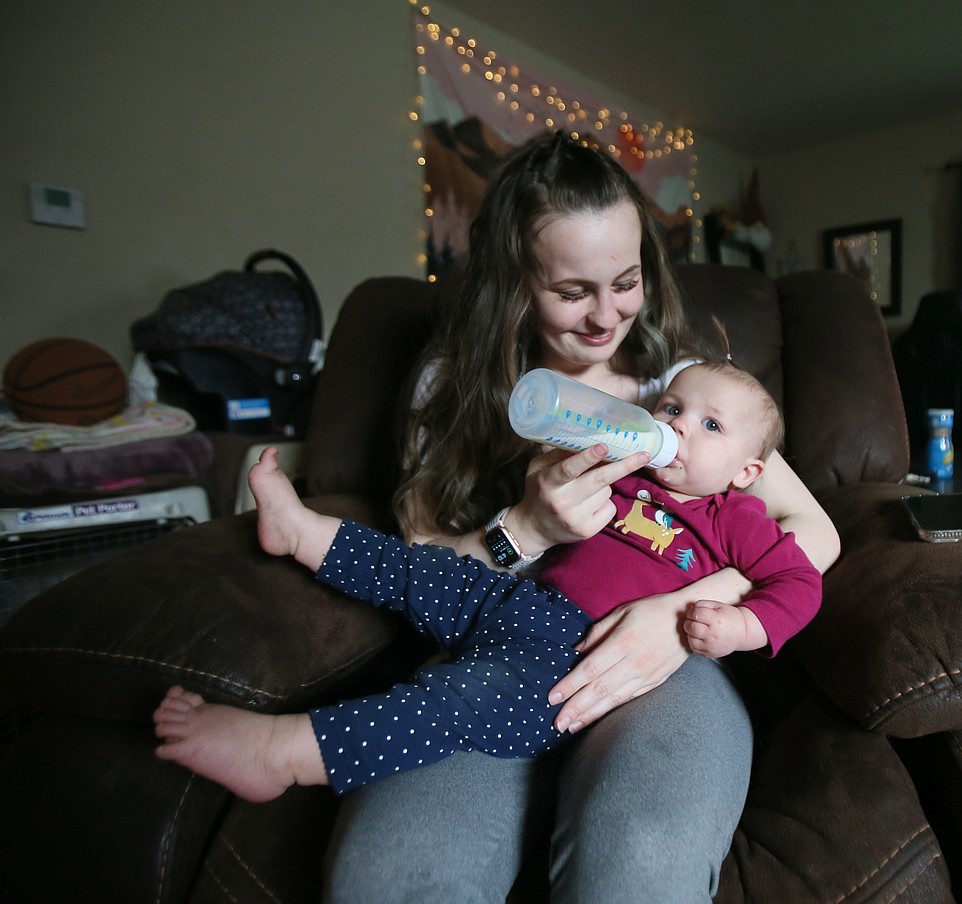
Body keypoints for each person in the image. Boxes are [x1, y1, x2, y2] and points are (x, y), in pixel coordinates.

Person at [276, 131, 838, 902]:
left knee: (638, 871)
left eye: (627, 281)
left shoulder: (679, 393)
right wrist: (528, 527)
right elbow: (420, 570)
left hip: (660, 660)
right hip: (499, 647)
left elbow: (815, 534)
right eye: (572, 291)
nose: (607, 316)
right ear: (511, 281)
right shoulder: (452, 388)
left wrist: (673, 614)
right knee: (392, 878)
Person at [153, 361, 822, 801]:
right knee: (418, 571)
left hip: (565, 656)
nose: (676, 425)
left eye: (708, 426)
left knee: (448, 702)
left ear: (745, 473)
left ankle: (281, 753)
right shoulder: (625, 467)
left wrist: (738, 623)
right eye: (673, 406)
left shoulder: (735, 518)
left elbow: (798, 583)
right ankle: (300, 532)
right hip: (518, 596)